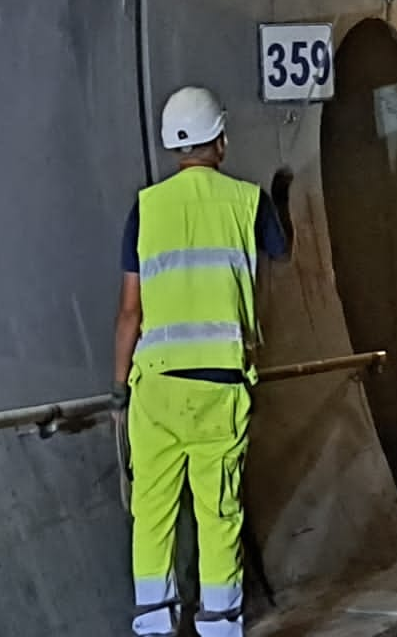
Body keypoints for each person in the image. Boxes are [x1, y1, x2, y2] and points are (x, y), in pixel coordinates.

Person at [113, 86, 294, 637]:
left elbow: (129, 312)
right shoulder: (247, 201)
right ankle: (218, 624)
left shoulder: (145, 210)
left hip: (157, 387)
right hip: (219, 384)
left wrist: (120, 390)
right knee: (218, 513)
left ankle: (153, 623)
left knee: (152, 510)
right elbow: (281, 250)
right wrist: (281, 199)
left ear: (173, 146)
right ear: (219, 139)